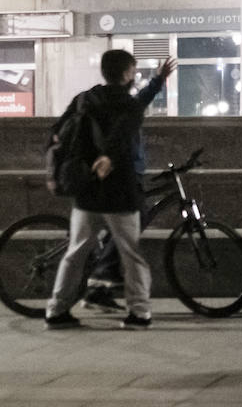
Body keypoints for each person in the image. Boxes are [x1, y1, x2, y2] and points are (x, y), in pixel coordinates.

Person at [45, 50, 175, 330]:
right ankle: (139, 313)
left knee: (76, 252)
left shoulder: (84, 99)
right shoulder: (128, 105)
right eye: (133, 71)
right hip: (120, 192)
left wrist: (57, 168)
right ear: (127, 74)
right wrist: (109, 157)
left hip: (86, 192)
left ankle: (56, 311)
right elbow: (123, 135)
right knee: (132, 254)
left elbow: (57, 132)